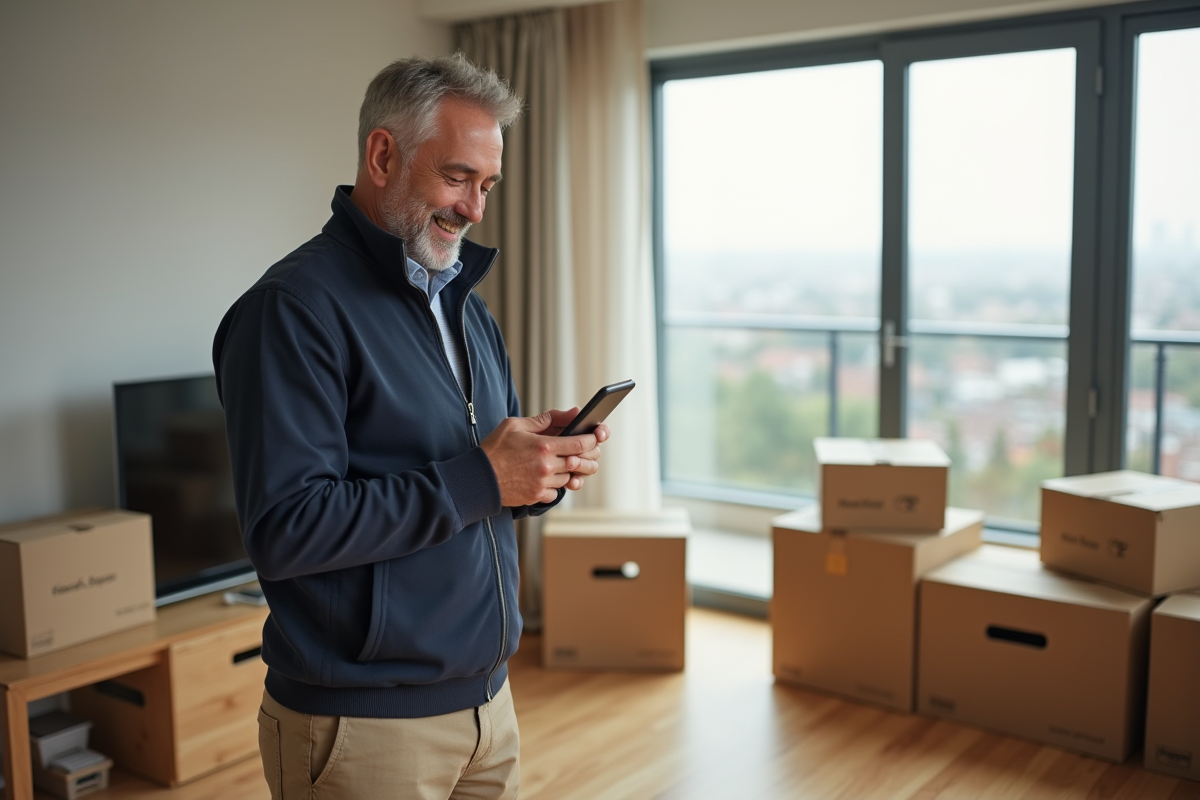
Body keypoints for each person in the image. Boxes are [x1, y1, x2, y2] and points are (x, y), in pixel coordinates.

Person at [212, 53, 607, 800]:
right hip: (365, 728)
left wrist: (535, 470)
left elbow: (475, 477)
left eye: (487, 185)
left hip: (490, 704)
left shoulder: (463, 302)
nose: (476, 209)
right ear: (383, 154)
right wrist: (484, 476)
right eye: (458, 177)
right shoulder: (291, 312)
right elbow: (287, 527)